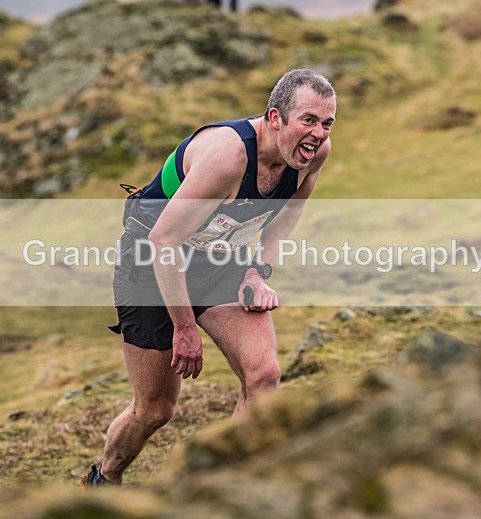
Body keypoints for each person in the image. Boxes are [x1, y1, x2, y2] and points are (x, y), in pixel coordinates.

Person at [81, 69, 336, 487]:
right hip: (151, 265)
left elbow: (289, 210)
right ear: (275, 117)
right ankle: (104, 480)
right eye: (308, 120)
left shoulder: (313, 154)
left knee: (264, 376)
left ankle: (217, 488)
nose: (318, 134)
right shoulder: (228, 157)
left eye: (326, 124)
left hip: (221, 260)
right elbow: (163, 240)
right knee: (155, 410)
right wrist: (183, 327)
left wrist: (258, 270)